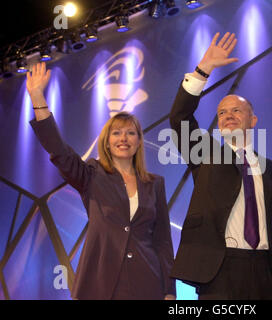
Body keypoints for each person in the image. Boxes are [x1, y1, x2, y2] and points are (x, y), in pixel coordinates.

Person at [26, 62, 176, 300]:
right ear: (106, 141)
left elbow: (163, 241)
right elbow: (59, 149)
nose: (123, 138)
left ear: (139, 141)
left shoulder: (154, 183)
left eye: (130, 133)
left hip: (148, 282)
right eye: (116, 133)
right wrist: (37, 98)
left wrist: (169, 290)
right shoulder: (91, 174)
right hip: (100, 282)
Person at [169, 32, 272, 300]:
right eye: (222, 112)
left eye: (237, 110)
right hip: (219, 270)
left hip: (264, 271)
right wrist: (204, 69)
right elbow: (180, 117)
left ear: (253, 119)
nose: (228, 116)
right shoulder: (206, 154)